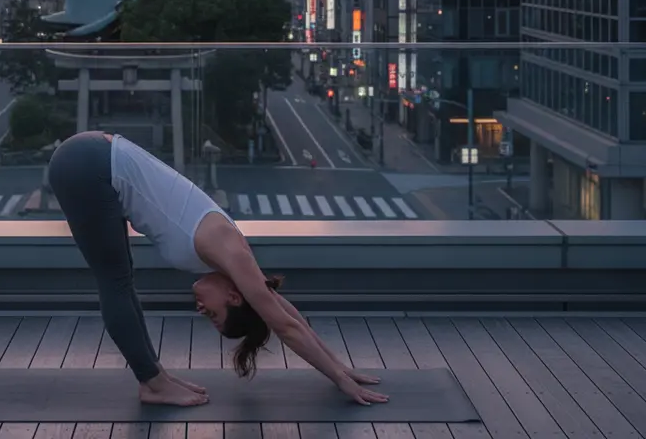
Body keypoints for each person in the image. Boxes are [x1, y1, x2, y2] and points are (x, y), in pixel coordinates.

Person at [47, 130, 389, 408]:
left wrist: (339, 365)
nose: (200, 310)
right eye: (213, 315)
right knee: (115, 281)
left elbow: (283, 310)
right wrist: (339, 380)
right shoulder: (232, 254)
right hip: (87, 166)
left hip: (94, 160)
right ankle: (152, 383)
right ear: (234, 298)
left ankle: (155, 376)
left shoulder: (237, 266)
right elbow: (283, 325)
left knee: (121, 280)